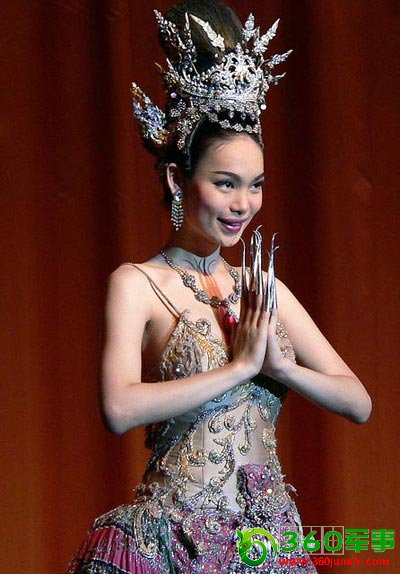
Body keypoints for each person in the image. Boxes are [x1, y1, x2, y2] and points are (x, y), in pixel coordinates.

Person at [66, 1, 372, 572]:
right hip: (174, 543)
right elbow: (119, 407)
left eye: (255, 185)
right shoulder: (137, 284)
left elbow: (359, 402)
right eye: (226, 183)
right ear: (178, 178)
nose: (243, 205)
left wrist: (281, 369)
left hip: (266, 547)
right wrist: (239, 368)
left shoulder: (262, 287)